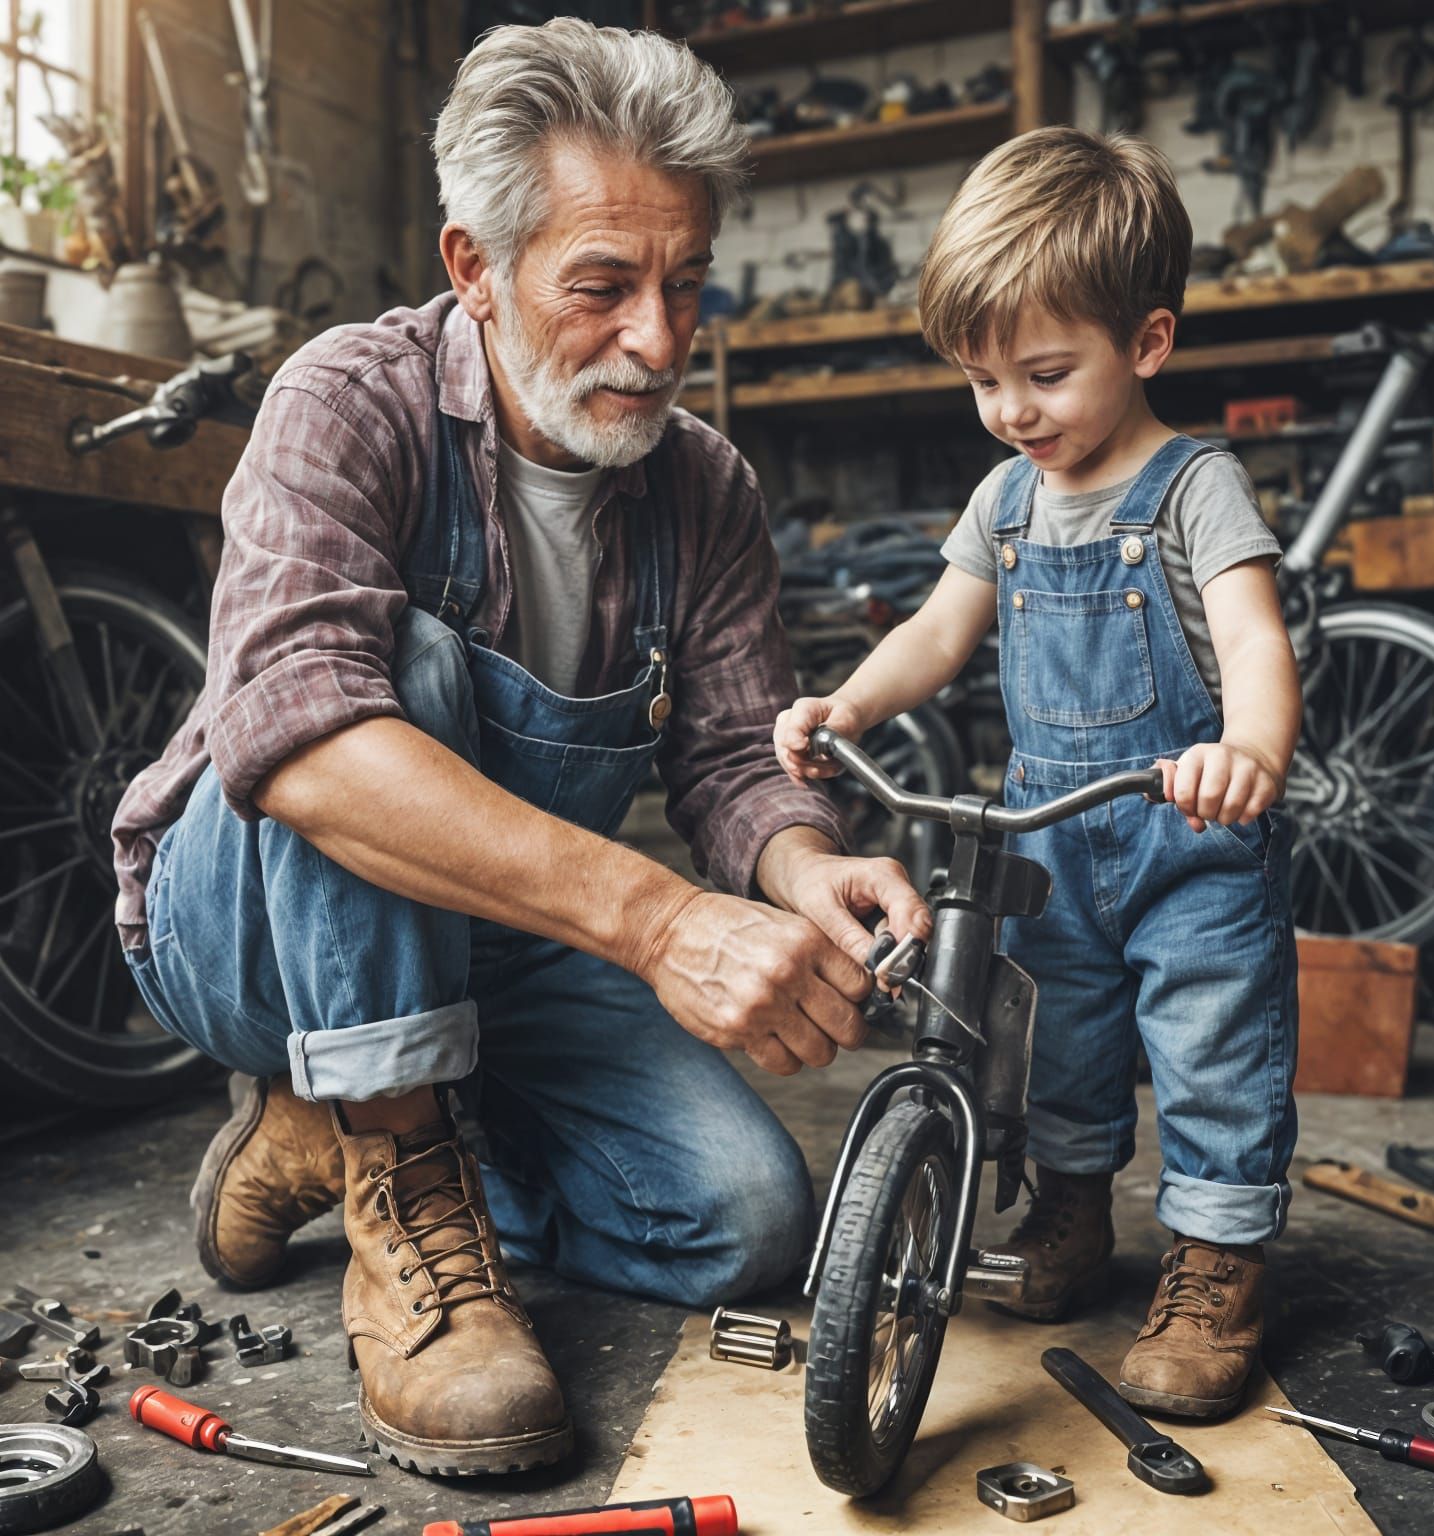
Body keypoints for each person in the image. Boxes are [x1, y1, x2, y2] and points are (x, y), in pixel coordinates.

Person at [110, 18, 929, 1478]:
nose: (659, 341)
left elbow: (739, 756)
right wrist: (667, 920)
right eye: (604, 287)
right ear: (475, 269)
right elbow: (299, 739)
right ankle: (409, 1192)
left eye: (688, 286)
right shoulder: (345, 403)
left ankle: (332, 1126)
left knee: (744, 1217)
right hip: (234, 928)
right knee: (395, 679)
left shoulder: (706, 488)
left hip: (491, 939)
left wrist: (802, 868)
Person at [775, 125, 1300, 1420]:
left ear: (1150, 343)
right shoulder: (1005, 499)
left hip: (1190, 844)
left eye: (1047, 374)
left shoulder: (1193, 489)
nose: (1014, 410)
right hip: (1051, 845)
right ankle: (1072, 1211)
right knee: (1057, 1045)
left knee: (1212, 1048)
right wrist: (852, 697)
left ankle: (1220, 1263)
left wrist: (1250, 751)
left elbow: (1251, 636)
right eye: (984, 380)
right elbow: (938, 634)